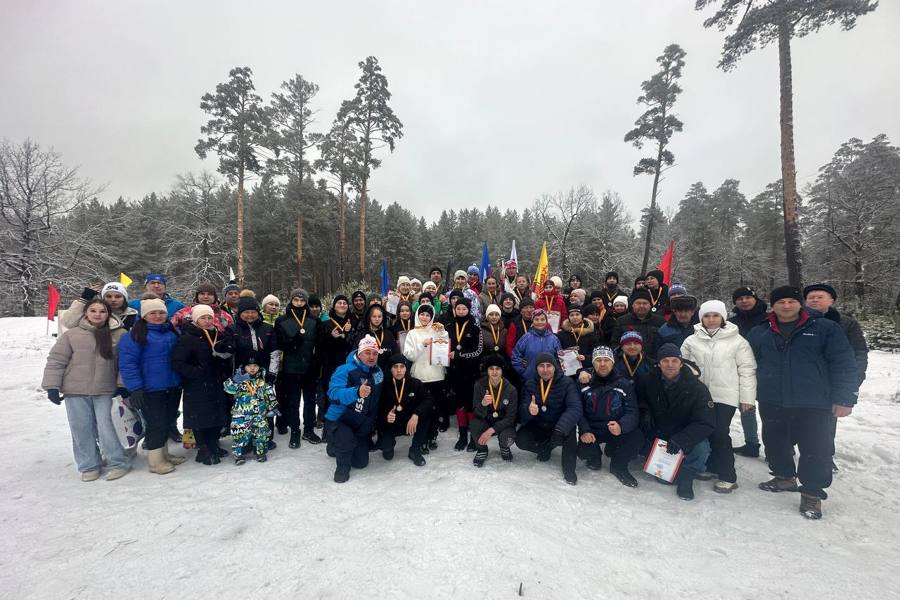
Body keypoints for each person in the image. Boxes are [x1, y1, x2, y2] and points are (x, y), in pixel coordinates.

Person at [748, 286, 858, 519]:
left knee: (816, 448)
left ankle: (812, 493)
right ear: (773, 305)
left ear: (800, 303)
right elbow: (749, 364)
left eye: (791, 301)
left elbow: (843, 363)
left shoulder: (825, 328)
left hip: (814, 400)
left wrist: (845, 397)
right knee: (775, 441)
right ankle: (784, 476)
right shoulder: (760, 331)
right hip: (772, 398)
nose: (786, 306)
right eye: (781, 302)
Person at [42, 298, 131, 481]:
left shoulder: (120, 334)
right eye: (93, 311)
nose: (97, 314)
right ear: (86, 313)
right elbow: (57, 360)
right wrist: (52, 386)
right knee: (81, 428)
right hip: (75, 390)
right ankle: (89, 465)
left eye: (102, 311)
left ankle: (117, 462)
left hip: (105, 390)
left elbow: (125, 363)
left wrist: (122, 385)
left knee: (108, 428)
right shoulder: (72, 335)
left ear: (109, 314)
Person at [681, 300, 757, 493]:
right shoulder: (692, 340)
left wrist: (747, 397)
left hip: (725, 395)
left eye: (715, 315)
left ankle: (728, 475)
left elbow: (747, 369)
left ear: (723, 317)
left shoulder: (737, 341)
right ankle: (711, 465)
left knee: (720, 433)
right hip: (700, 395)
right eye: (707, 316)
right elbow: (683, 365)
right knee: (704, 431)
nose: (711, 319)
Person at [635, 343, 715, 501]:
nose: (670, 365)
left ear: (681, 362)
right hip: (659, 432)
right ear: (658, 363)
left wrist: (682, 439)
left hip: (685, 432)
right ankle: (663, 466)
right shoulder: (647, 381)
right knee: (662, 479)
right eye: (665, 360)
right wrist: (645, 416)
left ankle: (687, 475)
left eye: (674, 360)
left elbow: (705, 422)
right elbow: (638, 403)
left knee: (702, 447)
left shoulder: (698, 388)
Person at [804, 282, 869, 472]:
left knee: (826, 422)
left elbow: (859, 352)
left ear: (831, 300)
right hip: (805, 380)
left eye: (820, 297)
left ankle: (825, 455)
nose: (815, 300)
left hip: (832, 382)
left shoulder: (847, 323)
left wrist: (852, 381)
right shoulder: (798, 320)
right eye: (811, 297)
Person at [117, 295, 185, 474]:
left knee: (168, 419)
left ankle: (164, 454)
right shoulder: (135, 335)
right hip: (150, 388)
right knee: (156, 423)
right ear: (144, 315)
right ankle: (155, 461)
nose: (158, 316)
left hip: (172, 385)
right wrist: (135, 388)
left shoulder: (171, 332)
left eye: (161, 312)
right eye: (152, 313)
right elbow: (128, 364)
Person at [170, 304, 234, 465]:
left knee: (216, 414)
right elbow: (178, 362)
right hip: (197, 384)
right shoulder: (188, 337)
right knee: (200, 417)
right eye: (203, 318)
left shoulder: (218, 334)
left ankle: (213, 443)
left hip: (216, 381)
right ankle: (203, 448)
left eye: (209, 318)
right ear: (196, 319)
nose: (206, 321)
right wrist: (196, 372)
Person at [575, 346, 643, 487]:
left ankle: (618, 465)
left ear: (613, 363)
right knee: (583, 451)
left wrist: (622, 426)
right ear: (593, 363)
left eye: (607, 360)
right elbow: (577, 410)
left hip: (614, 426)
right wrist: (585, 430)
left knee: (637, 437)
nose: (603, 364)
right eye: (598, 360)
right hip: (592, 428)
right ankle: (595, 456)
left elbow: (632, 411)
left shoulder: (624, 384)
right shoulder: (583, 383)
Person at [325, 335, 384, 483]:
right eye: (367, 352)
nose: (371, 357)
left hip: (361, 421)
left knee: (361, 463)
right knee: (345, 443)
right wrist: (356, 392)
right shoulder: (345, 369)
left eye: (374, 353)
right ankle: (340, 461)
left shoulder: (378, 372)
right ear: (359, 353)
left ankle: (346, 444)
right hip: (341, 418)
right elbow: (333, 394)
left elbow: (377, 400)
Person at [517, 353, 583, 485]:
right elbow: (522, 410)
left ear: (555, 367)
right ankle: (545, 449)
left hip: (559, 425)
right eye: (541, 366)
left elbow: (575, 408)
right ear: (536, 368)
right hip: (540, 423)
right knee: (521, 440)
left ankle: (569, 469)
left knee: (569, 434)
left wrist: (560, 428)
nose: (545, 369)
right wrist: (529, 410)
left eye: (549, 366)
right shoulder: (531, 383)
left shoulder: (567, 383)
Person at [274, 289, 320, 448]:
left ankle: (308, 429)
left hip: (309, 367)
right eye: (296, 300)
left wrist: (316, 361)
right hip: (290, 368)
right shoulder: (282, 320)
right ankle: (295, 431)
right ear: (291, 301)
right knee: (293, 401)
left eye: (302, 300)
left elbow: (319, 344)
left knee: (309, 400)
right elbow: (279, 343)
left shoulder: (313, 320)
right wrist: (292, 342)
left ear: (305, 302)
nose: (299, 303)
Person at [728, 286, 769, 458]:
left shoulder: (768, 319)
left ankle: (778, 447)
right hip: (741, 369)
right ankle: (751, 443)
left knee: (770, 411)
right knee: (746, 406)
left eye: (747, 297)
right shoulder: (732, 322)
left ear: (755, 299)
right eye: (740, 299)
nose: (744, 301)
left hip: (766, 369)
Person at [402, 304, 449, 451]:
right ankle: (421, 437)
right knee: (421, 410)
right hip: (419, 377)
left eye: (428, 315)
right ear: (417, 315)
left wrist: (442, 332)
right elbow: (409, 355)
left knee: (435, 409)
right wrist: (422, 344)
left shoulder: (436, 331)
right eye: (422, 314)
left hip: (436, 376)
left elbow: (445, 346)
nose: (425, 317)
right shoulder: (412, 333)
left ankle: (432, 435)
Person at [377, 354, 432, 466]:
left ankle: (415, 449)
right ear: (390, 368)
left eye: (402, 366)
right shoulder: (383, 386)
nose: (398, 370)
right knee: (387, 453)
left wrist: (416, 414)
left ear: (406, 368)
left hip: (409, 422)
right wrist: (386, 415)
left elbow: (428, 400)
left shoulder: (415, 384)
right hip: (392, 423)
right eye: (395, 367)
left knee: (426, 414)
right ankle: (389, 445)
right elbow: (377, 409)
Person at [223, 356, 278, 464]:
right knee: (240, 435)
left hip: (259, 414)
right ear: (244, 367)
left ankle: (260, 452)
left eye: (255, 366)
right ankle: (239, 455)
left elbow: (269, 393)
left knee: (261, 434)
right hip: (241, 415)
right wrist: (234, 381)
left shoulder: (262, 381)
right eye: (249, 366)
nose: (252, 368)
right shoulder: (239, 379)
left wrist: (273, 406)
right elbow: (228, 389)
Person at [447, 297, 484, 451]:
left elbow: (479, 351)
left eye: (464, 309)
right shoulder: (448, 328)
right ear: (454, 309)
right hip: (455, 373)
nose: (461, 311)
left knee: (471, 405)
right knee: (459, 404)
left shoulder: (476, 328)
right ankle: (462, 435)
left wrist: (460, 355)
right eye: (458, 308)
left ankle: (473, 438)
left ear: (469, 310)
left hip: (470, 373)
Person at [470, 354, 518, 466]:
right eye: (491, 368)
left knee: (508, 437)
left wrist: (490, 431)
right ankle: (482, 449)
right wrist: (482, 404)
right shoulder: (479, 385)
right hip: (486, 420)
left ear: (502, 370)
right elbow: (475, 411)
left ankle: (504, 447)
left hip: (503, 422)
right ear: (487, 370)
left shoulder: (511, 389)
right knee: (474, 424)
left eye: (498, 369)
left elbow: (511, 418)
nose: (494, 372)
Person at [60, 282, 138, 331]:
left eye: (118, 296)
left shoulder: (133, 315)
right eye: (108, 296)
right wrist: (83, 301)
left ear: (124, 298)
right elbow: (68, 323)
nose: (113, 300)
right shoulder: (94, 313)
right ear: (103, 298)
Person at [512, 309, 563, 382]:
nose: (539, 322)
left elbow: (559, 359)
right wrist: (524, 372)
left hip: (550, 380)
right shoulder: (525, 338)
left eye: (542, 319)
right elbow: (515, 356)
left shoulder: (554, 339)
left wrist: (556, 374)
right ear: (532, 321)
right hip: (530, 380)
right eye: (536, 319)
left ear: (546, 321)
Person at [611, 288, 665, 356]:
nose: (641, 306)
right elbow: (614, 343)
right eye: (638, 303)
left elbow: (664, 344)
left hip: (653, 361)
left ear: (650, 305)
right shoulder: (622, 321)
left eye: (645, 303)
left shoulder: (660, 321)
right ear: (633, 305)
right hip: (628, 361)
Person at [171, 282, 235, 334]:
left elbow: (232, 335)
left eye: (209, 294)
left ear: (215, 297)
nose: (206, 296)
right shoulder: (182, 314)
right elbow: (172, 332)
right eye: (202, 294)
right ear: (197, 296)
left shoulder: (225, 316)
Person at [556, 305, 601, 373]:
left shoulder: (590, 333)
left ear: (582, 316)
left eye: (577, 314)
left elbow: (595, 353)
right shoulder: (562, 334)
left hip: (586, 369)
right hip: (568, 369)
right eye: (572, 315)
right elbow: (558, 352)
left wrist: (585, 357)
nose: (575, 317)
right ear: (568, 317)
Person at [353, 303, 397, 371]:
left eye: (379, 316)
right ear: (369, 317)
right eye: (374, 316)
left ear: (383, 318)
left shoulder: (388, 333)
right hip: (368, 372)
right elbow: (355, 354)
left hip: (387, 372)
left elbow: (395, 352)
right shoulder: (363, 334)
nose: (377, 319)